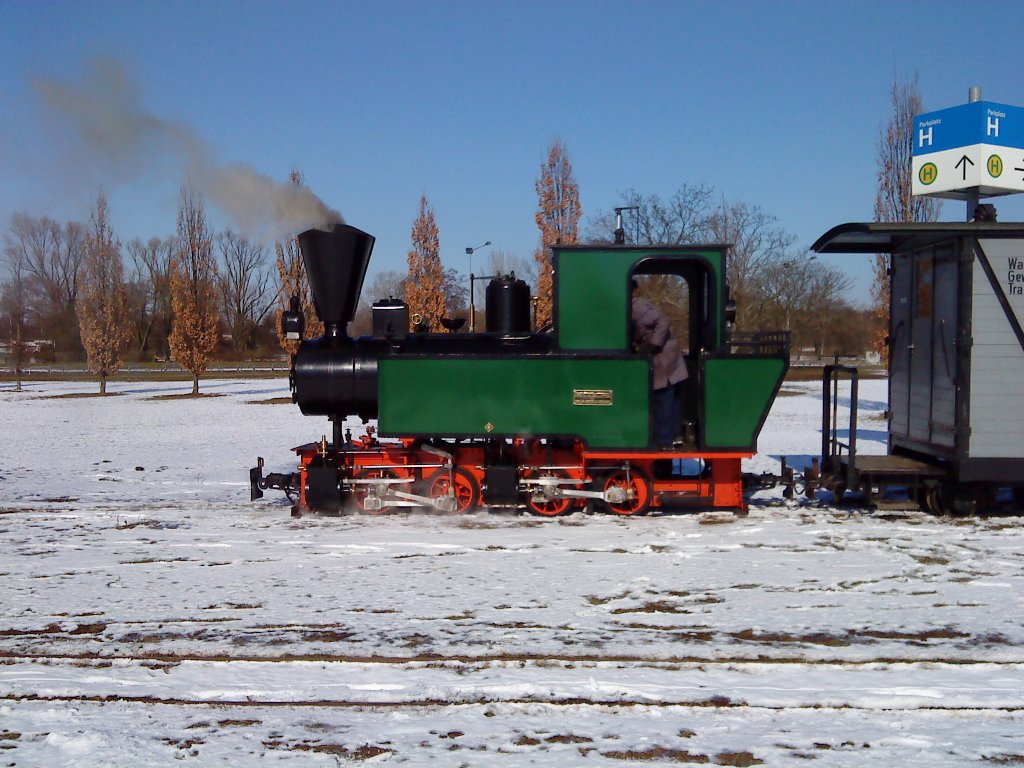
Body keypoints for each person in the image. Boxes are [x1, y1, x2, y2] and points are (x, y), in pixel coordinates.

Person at [631, 279, 688, 448]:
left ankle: (663, 442)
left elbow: (663, 321)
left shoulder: (636, 307)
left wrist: (652, 346)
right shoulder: (633, 307)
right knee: (668, 399)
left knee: (663, 398)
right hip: (664, 358)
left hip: (664, 357)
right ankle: (672, 435)